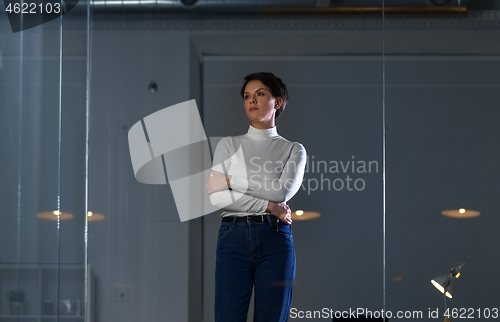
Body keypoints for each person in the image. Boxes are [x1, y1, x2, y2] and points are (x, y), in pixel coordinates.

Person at [206, 72, 307, 322]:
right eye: (247, 96)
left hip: (275, 239)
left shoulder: (293, 149)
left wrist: (232, 181)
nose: (252, 100)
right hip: (233, 237)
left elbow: (281, 191)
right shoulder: (229, 144)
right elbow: (217, 199)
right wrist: (267, 205)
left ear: (278, 101)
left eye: (260, 94)